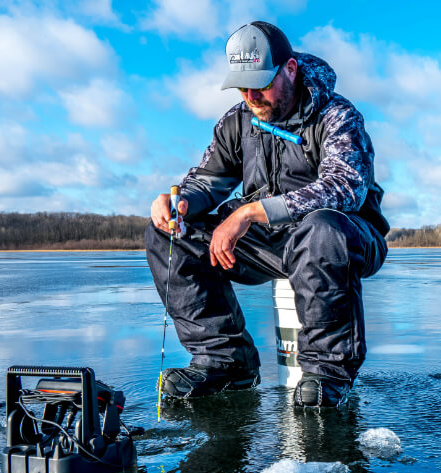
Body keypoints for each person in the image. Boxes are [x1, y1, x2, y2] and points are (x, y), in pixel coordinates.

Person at [146, 21, 389, 407]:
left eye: (260, 83)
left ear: (289, 69)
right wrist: (181, 203)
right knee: (167, 233)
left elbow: (345, 188)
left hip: (345, 239)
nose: (250, 95)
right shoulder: (236, 121)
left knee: (320, 230)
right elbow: (209, 179)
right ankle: (225, 361)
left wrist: (249, 213)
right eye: (242, 86)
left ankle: (327, 374)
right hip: (269, 244)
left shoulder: (337, 116)